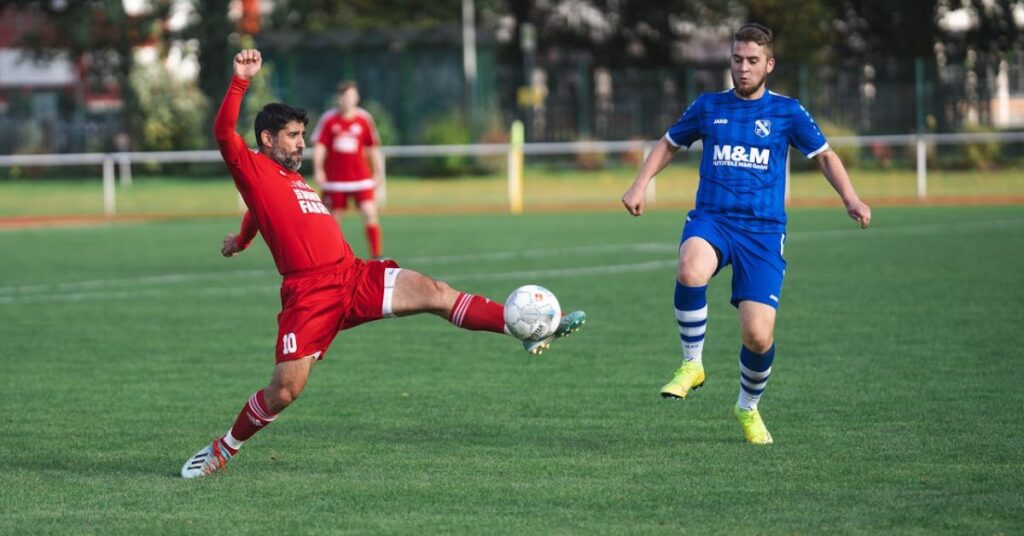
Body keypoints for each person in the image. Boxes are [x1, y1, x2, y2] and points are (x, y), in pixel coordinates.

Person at [181, 49, 586, 478]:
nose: (302, 143)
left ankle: (524, 328)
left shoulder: (291, 177)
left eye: (302, 135)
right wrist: (240, 80)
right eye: (293, 135)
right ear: (267, 138)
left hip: (354, 275)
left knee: (436, 292)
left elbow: (258, 213)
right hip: (310, 295)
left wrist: (241, 239)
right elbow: (223, 132)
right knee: (284, 391)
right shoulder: (250, 166)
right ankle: (224, 447)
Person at [620, 23, 871, 445]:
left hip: (763, 233)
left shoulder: (787, 112)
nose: (743, 68)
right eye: (737, 59)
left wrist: (851, 198)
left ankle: (747, 406)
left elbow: (825, 156)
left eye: (753, 61)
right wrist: (639, 184)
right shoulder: (708, 106)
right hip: (713, 219)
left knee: (757, 336)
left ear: (769, 65)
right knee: (690, 267)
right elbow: (668, 143)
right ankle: (692, 364)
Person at [312, 81, 385, 259]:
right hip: (335, 179)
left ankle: (376, 255)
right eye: (345, 95)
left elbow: (372, 147)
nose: (348, 99)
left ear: (357, 97)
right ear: (339, 98)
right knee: (333, 219)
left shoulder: (364, 118)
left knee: (370, 213)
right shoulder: (329, 119)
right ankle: (329, 256)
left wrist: (377, 172)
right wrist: (318, 169)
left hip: (361, 177)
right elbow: (320, 146)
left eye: (352, 95)